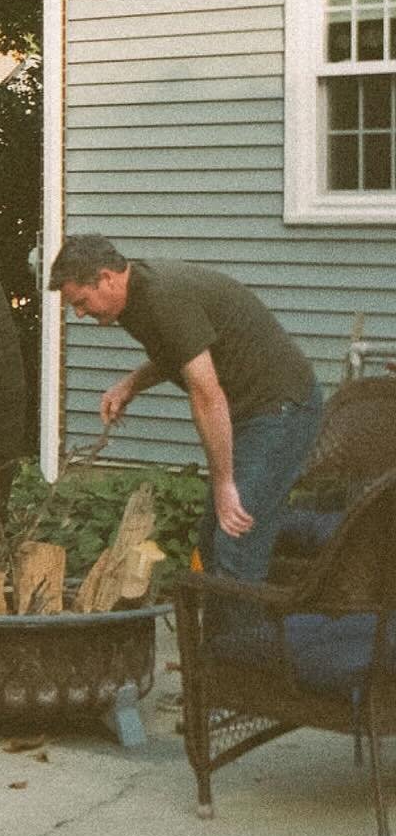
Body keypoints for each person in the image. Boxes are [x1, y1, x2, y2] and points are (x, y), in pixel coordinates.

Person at [47, 235, 325, 585]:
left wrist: (224, 483)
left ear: (106, 278)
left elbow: (208, 396)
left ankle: (245, 640)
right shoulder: (135, 301)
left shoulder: (163, 298)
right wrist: (130, 384)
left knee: (236, 539)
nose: (79, 313)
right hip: (250, 412)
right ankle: (219, 638)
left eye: (82, 301)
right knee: (213, 539)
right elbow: (177, 352)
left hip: (282, 408)